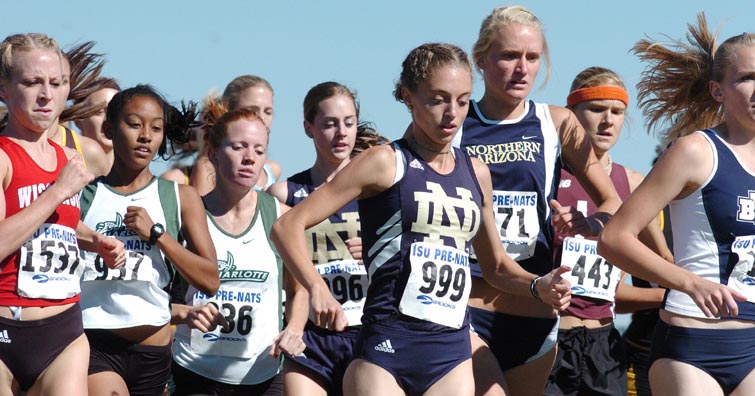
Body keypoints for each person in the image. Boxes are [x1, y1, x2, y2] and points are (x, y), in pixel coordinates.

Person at [271, 42, 571, 396]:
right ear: (407, 97)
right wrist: (316, 287)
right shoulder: (384, 162)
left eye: (462, 100)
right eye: (437, 99)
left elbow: (497, 267)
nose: (452, 113)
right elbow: (286, 226)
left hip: (451, 355)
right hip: (386, 352)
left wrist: (539, 286)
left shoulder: (476, 172)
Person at [451, 6, 622, 396]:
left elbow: (611, 199)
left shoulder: (557, 122)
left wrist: (592, 224)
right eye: (509, 56)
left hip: (536, 311)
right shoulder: (455, 123)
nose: (521, 68)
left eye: (532, 57)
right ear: (481, 59)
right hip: (470, 306)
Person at [598, 13, 755, 396]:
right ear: (718, 91)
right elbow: (615, 239)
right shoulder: (695, 152)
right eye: (747, 78)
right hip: (690, 345)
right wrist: (689, 282)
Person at [0, 32, 124, 395]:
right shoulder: (4, 157)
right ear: (4, 89)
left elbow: (59, 223)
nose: (46, 95)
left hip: (62, 331)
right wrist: (58, 191)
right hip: (5, 323)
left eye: (56, 83)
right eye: (32, 82)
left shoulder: (65, 156)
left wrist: (94, 240)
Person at [78, 84, 219, 395]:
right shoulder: (83, 195)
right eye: (134, 125)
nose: (145, 136)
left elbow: (210, 280)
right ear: (110, 129)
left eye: (156, 128)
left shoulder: (179, 197)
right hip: (96, 346)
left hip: (154, 355)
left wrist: (158, 235)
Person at [543, 67, 672, 396]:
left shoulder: (633, 183)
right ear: (571, 113)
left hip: (605, 345)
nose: (608, 121)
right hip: (549, 338)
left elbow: (662, 266)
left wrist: (679, 293)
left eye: (617, 112)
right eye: (597, 109)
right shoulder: (545, 175)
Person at [170, 100, 305, 395]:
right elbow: (156, 296)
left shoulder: (280, 217)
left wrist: (293, 329)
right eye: (238, 147)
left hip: (262, 374)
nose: (249, 158)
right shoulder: (187, 218)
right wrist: (184, 313)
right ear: (213, 155)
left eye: (259, 150)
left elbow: (299, 289)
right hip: (195, 371)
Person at [267, 81, 386, 396]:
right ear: (308, 128)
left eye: (349, 123)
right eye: (329, 124)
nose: (342, 133)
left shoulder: (380, 192)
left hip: (369, 332)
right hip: (313, 336)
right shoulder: (286, 194)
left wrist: (378, 250)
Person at [192, 75, 282, 194]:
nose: (261, 117)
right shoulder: (208, 167)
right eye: (251, 110)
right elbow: (202, 211)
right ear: (228, 110)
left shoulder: (272, 169)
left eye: (268, 112)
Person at [73, 79, 122, 169]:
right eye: (98, 112)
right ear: (78, 120)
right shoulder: (65, 166)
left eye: (115, 112)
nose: (108, 120)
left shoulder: (135, 175)